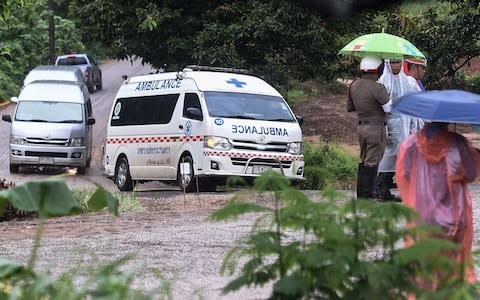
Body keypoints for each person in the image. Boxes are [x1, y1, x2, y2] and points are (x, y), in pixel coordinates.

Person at [396, 122, 480, 283]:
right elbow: (471, 173)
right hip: (454, 214)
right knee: (452, 263)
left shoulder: (409, 143)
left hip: (421, 212)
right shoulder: (457, 143)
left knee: (423, 263)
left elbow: (403, 173)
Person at [373, 59, 424, 201]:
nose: (396, 65)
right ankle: (380, 189)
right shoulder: (383, 81)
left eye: (398, 62)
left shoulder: (407, 82)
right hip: (390, 124)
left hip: (406, 123)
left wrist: (414, 127)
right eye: (393, 62)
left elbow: (413, 103)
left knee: (405, 158)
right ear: (388, 64)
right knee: (388, 158)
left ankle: (405, 190)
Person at [347, 55, 392, 199]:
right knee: (372, 162)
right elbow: (388, 109)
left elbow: (350, 107)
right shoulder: (378, 87)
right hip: (376, 128)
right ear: (378, 69)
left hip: (361, 127)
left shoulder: (353, 85)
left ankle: (361, 193)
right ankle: (366, 196)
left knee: (363, 159)